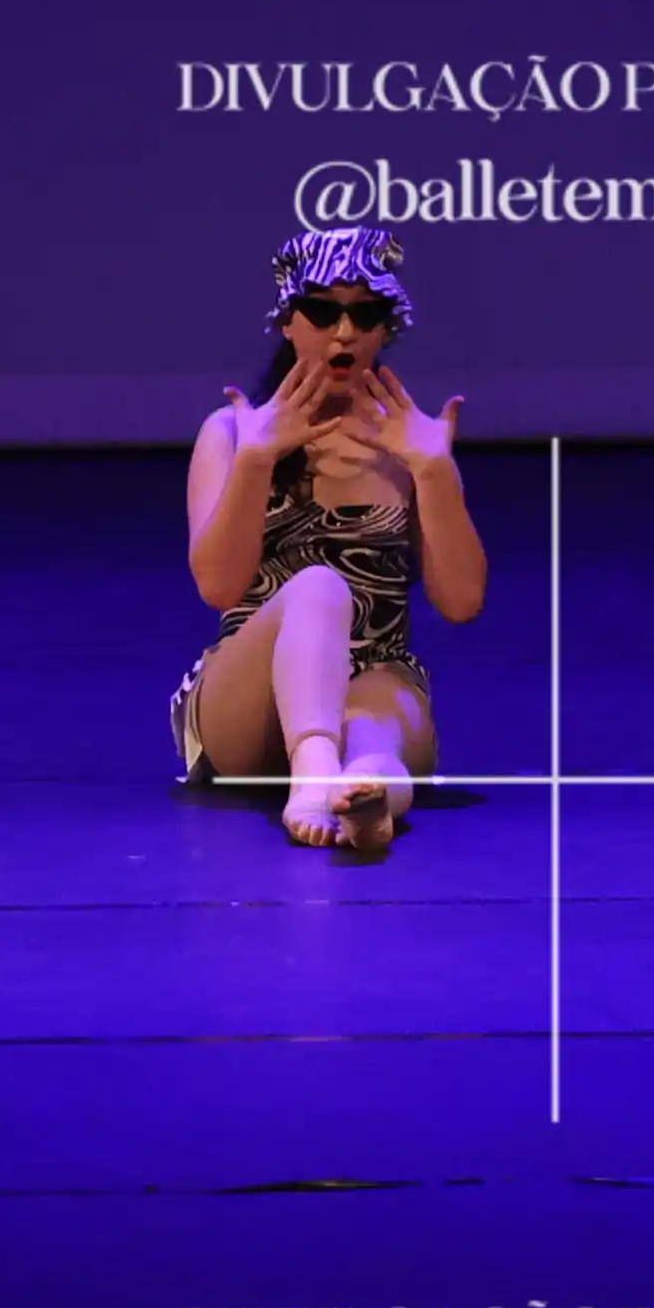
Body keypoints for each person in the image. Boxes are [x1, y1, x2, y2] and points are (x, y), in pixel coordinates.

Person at [179, 225, 491, 857]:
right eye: (323, 312)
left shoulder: (413, 445)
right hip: (247, 699)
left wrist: (433, 472)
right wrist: (256, 463)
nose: (344, 332)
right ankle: (317, 771)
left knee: (375, 728)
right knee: (318, 587)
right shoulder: (233, 434)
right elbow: (218, 588)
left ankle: (367, 798)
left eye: (365, 314)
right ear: (288, 323)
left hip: (374, 680)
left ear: (386, 327)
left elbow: (461, 602)